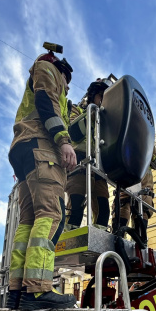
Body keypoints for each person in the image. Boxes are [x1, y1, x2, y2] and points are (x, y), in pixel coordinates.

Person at [6, 44, 77, 311]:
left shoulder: (38, 75)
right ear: (63, 72)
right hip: (41, 147)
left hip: (23, 151)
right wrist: (63, 141)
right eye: (68, 83)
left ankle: (18, 289)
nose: (68, 89)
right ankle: (38, 289)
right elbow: (46, 101)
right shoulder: (48, 69)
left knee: (28, 221)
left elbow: (49, 104)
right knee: (51, 214)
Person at [64, 78, 113, 231]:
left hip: (98, 165)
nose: (103, 101)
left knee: (104, 210)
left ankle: (99, 244)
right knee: (76, 207)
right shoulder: (77, 110)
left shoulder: (104, 120)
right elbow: (74, 133)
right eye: (101, 96)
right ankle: (67, 242)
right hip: (78, 159)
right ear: (93, 95)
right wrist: (91, 115)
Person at [113, 147, 156, 232]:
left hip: (143, 193)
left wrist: (149, 155)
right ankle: (118, 241)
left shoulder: (149, 145)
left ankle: (139, 243)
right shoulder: (124, 137)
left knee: (140, 230)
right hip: (124, 190)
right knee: (118, 228)